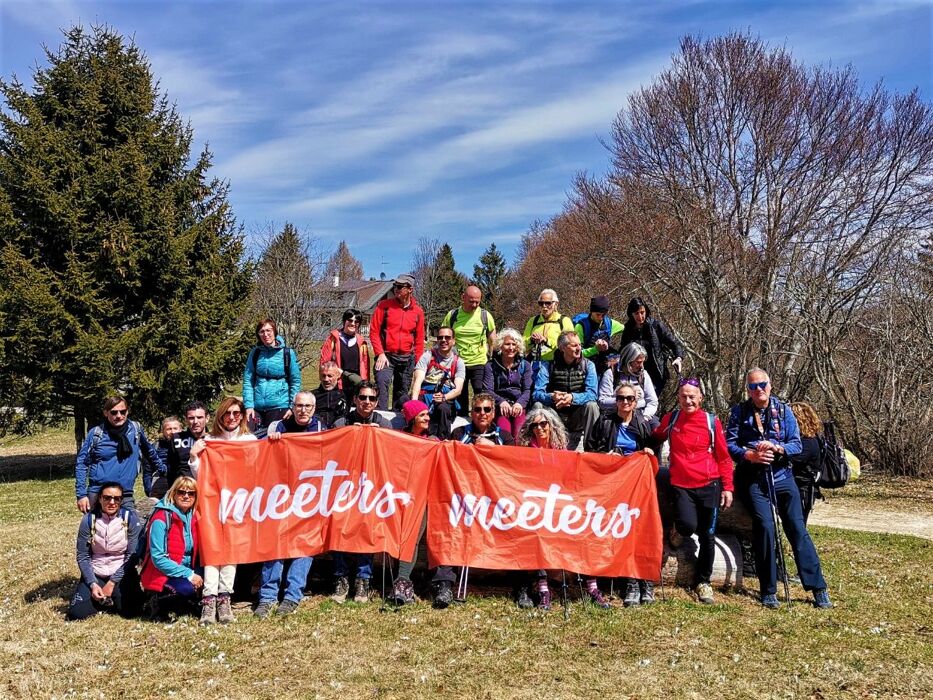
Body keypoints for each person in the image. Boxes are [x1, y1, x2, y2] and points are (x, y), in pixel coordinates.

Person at [726, 369, 831, 609]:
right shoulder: (739, 412)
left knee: (797, 528)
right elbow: (730, 444)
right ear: (748, 389)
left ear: (770, 385)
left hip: (782, 476)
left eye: (762, 384)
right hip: (753, 478)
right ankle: (768, 590)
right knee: (765, 527)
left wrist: (778, 448)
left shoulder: (784, 411)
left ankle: (818, 587)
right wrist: (749, 455)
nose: (759, 389)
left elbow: (796, 444)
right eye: (753, 386)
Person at [652, 378, 734, 605]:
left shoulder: (711, 422)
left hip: (709, 484)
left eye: (692, 396)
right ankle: (677, 531)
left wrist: (728, 487)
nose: (688, 401)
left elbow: (724, 457)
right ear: (678, 398)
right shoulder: (672, 419)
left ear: (701, 398)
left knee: (708, 535)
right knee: (688, 526)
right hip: (681, 485)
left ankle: (703, 582)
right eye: (683, 396)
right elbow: (656, 435)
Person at [586, 382, 657, 606]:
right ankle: (629, 581)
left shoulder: (644, 424)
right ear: (615, 401)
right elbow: (589, 450)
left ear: (636, 402)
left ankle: (643, 579)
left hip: (636, 485)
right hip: (610, 484)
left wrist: (648, 452)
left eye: (629, 398)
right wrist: (605, 456)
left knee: (639, 529)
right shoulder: (604, 421)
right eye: (620, 398)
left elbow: (653, 453)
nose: (625, 402)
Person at [254, 392, 325, 618]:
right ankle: (267, 597)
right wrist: (269, 442)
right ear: (292, 407)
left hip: (308, 497)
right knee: (275, 544)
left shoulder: (321, 428)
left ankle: (292, 595)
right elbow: (254, 449)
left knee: (304, 546)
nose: (303, 410)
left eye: (308, 406)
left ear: (314, 408)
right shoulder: (278, 426)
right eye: (299, 405)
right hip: (280, 496)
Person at [189, 396, 258, 624]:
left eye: (236, 413)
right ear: (220, 415)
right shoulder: (210, 441)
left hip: (238, 503)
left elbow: (259, 469)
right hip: (212, 502)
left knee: (231, 548)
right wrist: (194, 455)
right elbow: (200, 475)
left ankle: (225, 598)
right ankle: (209, 599)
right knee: (212, 547)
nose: (231, 418)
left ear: (242, 416)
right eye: (227, 413)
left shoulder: (249, 440)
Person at [331, 382, 389, 602]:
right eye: (363, 397)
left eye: (371, 398)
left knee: (368, 526)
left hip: (371, 487)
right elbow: (330, 453)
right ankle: (340, 577)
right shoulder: (341, 422)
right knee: (337, 525)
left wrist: (379, 437)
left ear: (376, 402)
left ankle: (363, 579)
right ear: (355, 399)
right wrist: (348, 436)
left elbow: (392, 454)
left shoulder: (382, 423)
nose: (367, 402)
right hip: (344, 486)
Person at [513, 406, 573, 610]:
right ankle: (541, 586)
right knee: (536, 530)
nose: (539, 428)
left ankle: (590, 586)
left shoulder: (562, 452)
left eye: (543, 424)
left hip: (556, 504)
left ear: (551, 425)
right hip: (531, 504)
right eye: (534, 425)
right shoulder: (525, 452)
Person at [75, 396, 166, 513]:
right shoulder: (96, 434)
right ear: (106, 413)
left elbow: (149, 451)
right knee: (94, 524)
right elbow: (82, 463)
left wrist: (163, 469)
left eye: (122, 412)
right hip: (98, 493)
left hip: (125, 493)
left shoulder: (136, 430)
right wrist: (81, 495)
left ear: (127, 412)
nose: (119, 416)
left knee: (131, 524)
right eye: (114, 412)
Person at [388, 399, 440, 607]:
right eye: (422, 415)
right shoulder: (398, 439)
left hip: (423, 498)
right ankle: (399, 581)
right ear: (411, 419)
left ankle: (402, 582)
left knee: (412, 536)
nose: (427, 418)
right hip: (398, 495)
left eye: (427, 414)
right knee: (398, 536)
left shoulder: (433, 441)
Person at [67, 482, 143, 620]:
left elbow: (133, 556)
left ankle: (113, 597)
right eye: (107, 498)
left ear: (121, 500)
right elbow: (83, 555)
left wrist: (112, 582)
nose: (112, 502)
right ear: (100, 499)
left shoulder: (130, 518)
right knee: (76, 613)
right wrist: (92, 583)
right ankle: (103, 599)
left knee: (132, 611)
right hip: (97, 572)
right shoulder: (88, 520)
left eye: (117, 498)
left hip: (122, 572)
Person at [139, 476, 202, 618]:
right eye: (181, 492)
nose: (186, 496)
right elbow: (158, 558)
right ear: (173, 493)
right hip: (162, 573)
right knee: (187, 590)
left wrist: (198, 573)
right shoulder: (161, 518)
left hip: (187, 569)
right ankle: (154, 601)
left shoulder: (194, 516)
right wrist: (190, 574)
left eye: (191, 493)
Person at [531, 330, 600, 450]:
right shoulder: (548, 366)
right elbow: (537, 393)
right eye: (574, 345)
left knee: (592, 406)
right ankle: (540, 447)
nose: (579, 348)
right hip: (555, 416)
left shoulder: (588, 365)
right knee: (538, 406)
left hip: (577, 417)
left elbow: (592, 394)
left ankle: (592, 449)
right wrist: (552, 397)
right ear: (562, 348)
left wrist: (572, 398)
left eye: (579, 345)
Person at [369, 274, 426, 410]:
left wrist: (418, 363)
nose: (396, 289)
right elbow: (374, 331)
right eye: (395, 286)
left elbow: (419, 340)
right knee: (381, 384)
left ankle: (397, 420)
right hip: (386, 357)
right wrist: (380, 353)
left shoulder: (418, 312)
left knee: (401, 395)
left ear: (410, 289)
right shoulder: (384, 306)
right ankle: (381, 416)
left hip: (407, 359)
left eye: (400, 287)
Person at [442, 285, 497, 417]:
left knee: (479, 391)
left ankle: (479, 418)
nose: (474, 305)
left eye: (477, 302)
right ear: (463, 298)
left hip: (479, 361)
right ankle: (462, 418)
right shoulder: (453, 315)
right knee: (460, 393)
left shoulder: (485, 315)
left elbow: (492, 338)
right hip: (458, 362)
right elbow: (444, 335)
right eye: (471, 301)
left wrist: (492, 355)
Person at [618, 297, 684, 397]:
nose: (640, 316)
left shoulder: (656, 326)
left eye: (642, 312)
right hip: (635, 373)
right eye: (636, 313)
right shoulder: (628, 329)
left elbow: (675, 343)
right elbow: (623, 349)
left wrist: (678, 358)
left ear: (646, 311)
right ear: (631, 314)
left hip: (656, 372)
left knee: (651, 399)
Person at [243, 318, 301, 429]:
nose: (265, 334)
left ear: (274, 331)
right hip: (257, 407)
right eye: (262, 331)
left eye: (268, 330)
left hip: (280, 406)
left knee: (273, 434)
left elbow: (295, 381)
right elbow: (248, 381)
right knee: (248, 434)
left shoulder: (287, 353)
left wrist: (292, 407)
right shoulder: (255, 353)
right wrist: (249, 406)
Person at [409, 326, 466, 439]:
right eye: (440, 337)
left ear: (453, 341)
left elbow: (458, 389)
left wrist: (444, 397)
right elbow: (417, 381)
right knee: (407, 405)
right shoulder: (428, 356)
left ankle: (442, 440)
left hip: (446, 396)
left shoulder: (458, 362)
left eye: (447, 337)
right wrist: (414, 403)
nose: (443, 340)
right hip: (425, 393)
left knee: (443, 409)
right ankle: (414, 437)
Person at [483, 328, 534, 438]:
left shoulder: (525, 365)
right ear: (500, 346)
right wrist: (501, 402)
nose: (511, 348)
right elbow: (488, 390)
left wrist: (520, 403)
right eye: (507, 344)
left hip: (519, 406)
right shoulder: (490, 366)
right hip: (500, 407)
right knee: (504, 434)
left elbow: (527, 390)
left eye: (514, 344)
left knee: (519, 435)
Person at [597, 341, 659, 422]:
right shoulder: (611, 373)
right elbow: (602, 402)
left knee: (656, 426)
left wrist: (645, 417)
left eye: (643, 362)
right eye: (638, 362)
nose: (641, 366)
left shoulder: (643, 374)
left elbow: (652, 401)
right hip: (616, 415)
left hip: (640, 415)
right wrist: (626, 398)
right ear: (628, 361)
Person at [320, 308, 370, 405]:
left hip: (356, 383)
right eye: (350, 320)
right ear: (344, 321)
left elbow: (365, 366)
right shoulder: (333, 339)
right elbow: (324, 362)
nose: (353, 323)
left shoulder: (362, 342)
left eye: (356, 321)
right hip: (338, 383)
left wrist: (364, 384)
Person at [789, 402, 824, 524]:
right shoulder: (807, 439)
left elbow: (793, 460)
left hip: (803, 489)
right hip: (799, 487)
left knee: (797, 524)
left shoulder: (808, 442)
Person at [574, 295, 625, 377]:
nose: (601, 318)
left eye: (603, 315)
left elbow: (627, 328)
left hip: (604, 370)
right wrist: (595, 349)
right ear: (591, 312)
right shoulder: (580, 327)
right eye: (598, 315)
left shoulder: (609, 324)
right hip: (585, 369)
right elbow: (576, 353)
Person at [522, 288, 574, 362]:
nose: (544, 306)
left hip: (557, 363)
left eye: (548, 303)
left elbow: (570, 345)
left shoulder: (564, 321)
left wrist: (547, 341)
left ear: (556, 304)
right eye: (541, 303)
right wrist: (531, 339)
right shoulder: (533, 321)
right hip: (535, 363)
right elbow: (522, 344)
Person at [165, 400, 209, 488]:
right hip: (184, 490)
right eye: (191, 418)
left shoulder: (214, 440)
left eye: (199, 417)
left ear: (207, 418)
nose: (195, 421)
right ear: (186, 420)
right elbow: (171, 470)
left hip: (207, 488)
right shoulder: (176, 439)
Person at [450, 392, 515, 446]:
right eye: (477, 409)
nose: (482, 413)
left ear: (493, 414)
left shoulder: (505, 437)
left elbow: (511, 456)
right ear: (471, 414)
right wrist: (466, 450)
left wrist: (494, 447)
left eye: (487, 409)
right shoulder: (459, 433)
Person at [147, 416, 181, 500]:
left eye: (175, 428)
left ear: (180, 429)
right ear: (163, 431)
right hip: (160, 485)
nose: (172, 432)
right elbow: (147, 471)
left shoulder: (187, 445)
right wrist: (149, 491)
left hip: (181, 483)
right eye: (169, 429)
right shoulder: (155, 447)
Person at [313, 361, 348, 427]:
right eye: (323, 376)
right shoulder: (312, 396)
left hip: (339, 431)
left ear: (338, 376)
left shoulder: (345, 394)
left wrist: (343, 373)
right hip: (318, 430)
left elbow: (360, 383)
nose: (326, 379)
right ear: (319, 377)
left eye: (330, 376)